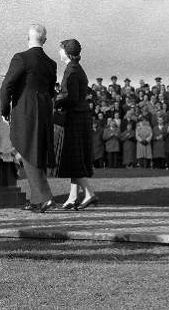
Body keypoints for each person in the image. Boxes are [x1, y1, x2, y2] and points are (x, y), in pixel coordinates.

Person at [0, 24, 57, 213]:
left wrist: (4, 109)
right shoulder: (51, 63)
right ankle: (36, 200)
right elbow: (50, 91)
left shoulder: (21, 58)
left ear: (28, 38)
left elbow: (7, 84)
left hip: (25, 109)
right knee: (37, 152)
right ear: (45, 41)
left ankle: (44, 197)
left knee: (27, 150)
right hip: (45, 110)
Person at [54, 39, 97, 210]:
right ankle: (73, 197)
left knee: (73, 158)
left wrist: (53, 101)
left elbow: (68, 96)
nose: (59, 52)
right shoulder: (76, 68)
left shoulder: (70, 70)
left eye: (61, 49)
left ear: (66, 52)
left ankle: (89, 194)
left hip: (74, 117)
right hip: (81, 115)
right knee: (76, 157)